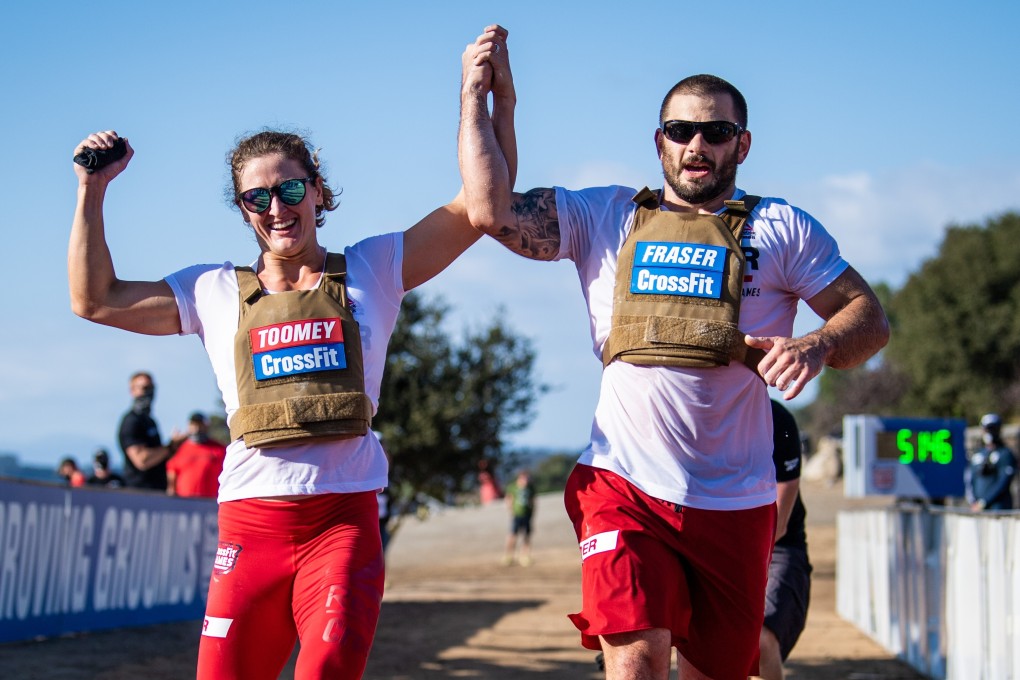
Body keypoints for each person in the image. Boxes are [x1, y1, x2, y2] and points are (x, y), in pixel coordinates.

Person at [67, 27, 515, 680]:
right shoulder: (213, 291)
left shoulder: (372, 270)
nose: (276, 208)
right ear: (243, 209)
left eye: (291, 190)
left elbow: (482, 206)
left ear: (319, 191)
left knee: (327, 667)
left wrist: (484, 97)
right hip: (250, 530)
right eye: (257, 198)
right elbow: (95, 299)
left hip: (342, 523)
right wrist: (92, 189)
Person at [459, 29, 889, 680]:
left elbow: (870, 318)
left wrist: (818, 344)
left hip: (736, 501)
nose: (697, 146)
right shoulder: (605, 216)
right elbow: (490, 212)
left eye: (716, 132)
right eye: (681, 131)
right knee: (637, 656)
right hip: (621, 484)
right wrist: (485, 100)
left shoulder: (782, 229)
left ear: (742, 144)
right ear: (659, 140)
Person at [757, 400, 813, 680]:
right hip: (716, 546)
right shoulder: (699, 413)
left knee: (760, 641)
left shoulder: (777, 419)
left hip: (778, 546)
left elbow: (777, 525)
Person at [117, 371, 185, 490]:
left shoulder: (150, 421)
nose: (149, 392)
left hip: (157, 490)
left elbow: (160, 457)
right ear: (132, 391)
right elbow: (142, 460)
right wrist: (169, 447)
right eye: (144, 388)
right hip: (139, 491)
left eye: (152, 388)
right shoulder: (131, 421)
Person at [166, 412, 227, 498]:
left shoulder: (219, 449)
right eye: (193, 425)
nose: (197, 429)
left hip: (210, 501)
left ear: (206, 426)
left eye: (200, 425)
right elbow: (172, 477)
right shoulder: (179, 449)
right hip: (184, 502)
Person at [964, 413, 1017, 511]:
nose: (989, 432)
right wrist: (973, 501)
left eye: (993, 429)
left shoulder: (1005, 454)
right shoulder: (978, 454)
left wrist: (984, 502)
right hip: (978, 509)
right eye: (987, 429)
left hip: (998, 508)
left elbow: (1003, 482)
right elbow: (970, 478)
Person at [502, 468, 536, 566]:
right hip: (517, 515)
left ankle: (525, 556)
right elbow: (508, 499)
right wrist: (511, 511)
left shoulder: (530, 488)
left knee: (526, 536)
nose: (526, 481)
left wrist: (532, 512)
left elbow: (533, 501)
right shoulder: (513, 487)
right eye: (524, 479)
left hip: (527, 515)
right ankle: (509, 556)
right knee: (513, 535)